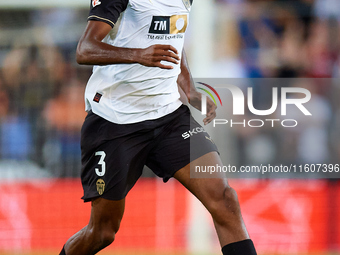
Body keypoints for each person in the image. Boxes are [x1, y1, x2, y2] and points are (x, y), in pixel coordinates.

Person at [59, 0, 257, 254]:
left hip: (168, 116)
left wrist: (190, 90)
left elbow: (174, 36)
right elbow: (84, 50)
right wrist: (138, 55)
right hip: (115, 121)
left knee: (225, 199)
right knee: (102, 232)